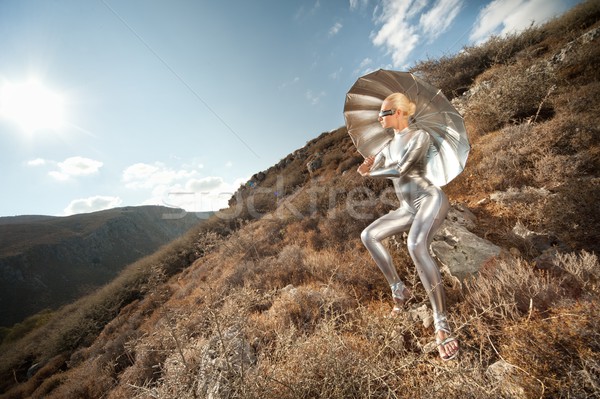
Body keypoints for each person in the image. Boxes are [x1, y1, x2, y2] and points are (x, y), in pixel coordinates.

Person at [357, 92, 459, 361]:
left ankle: (441, 323)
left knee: (416, 245)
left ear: (400, 113)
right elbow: (376, 166)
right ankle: (398, 289)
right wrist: (367, 166)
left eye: (384, 113)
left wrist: (372, 172)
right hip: (406, 208)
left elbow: (401, 170)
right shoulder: (387, 146)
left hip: (429, 199)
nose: (379, 118)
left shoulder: (420, 136)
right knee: (369, 235)